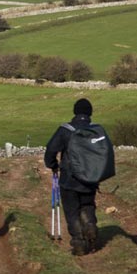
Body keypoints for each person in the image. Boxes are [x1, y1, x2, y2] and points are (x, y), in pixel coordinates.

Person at [44, 97, 102, 256]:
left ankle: (79, 242)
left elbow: (50, 150)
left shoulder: (65, 130)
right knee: (87, 205)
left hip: (69, 180)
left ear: (75, 112)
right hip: (90, 178)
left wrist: (53, 165)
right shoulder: (96, 130)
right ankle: (90, 224)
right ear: (90, 113)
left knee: (71, 211)